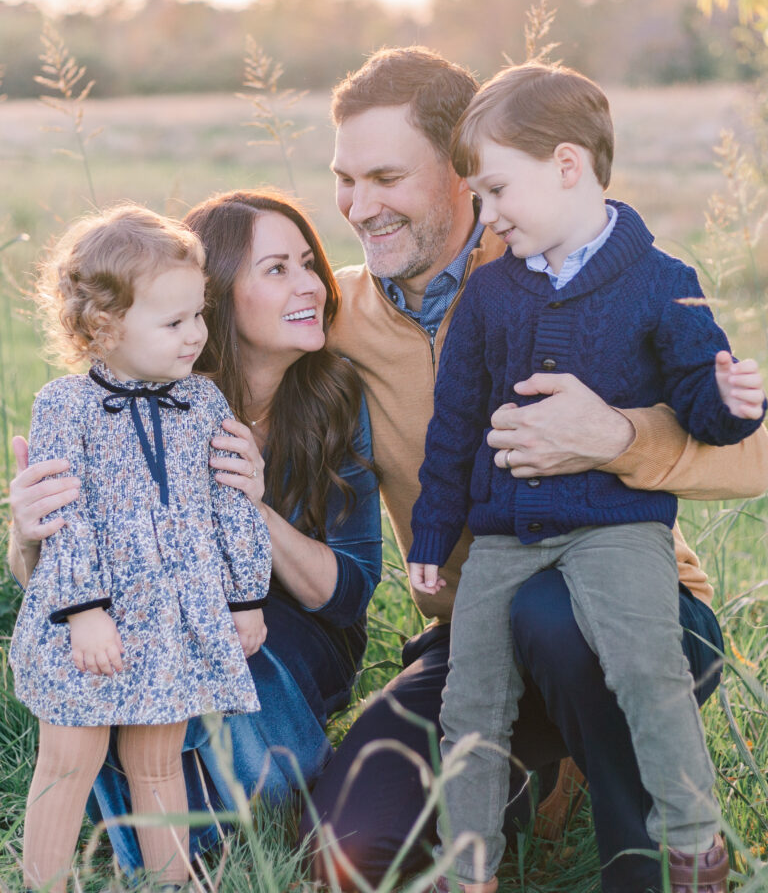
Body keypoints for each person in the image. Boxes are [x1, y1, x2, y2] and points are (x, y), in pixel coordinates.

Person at [301, 46, 768, 893]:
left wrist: (616, 436)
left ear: (464, 171)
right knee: (348, 848)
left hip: (631, 611)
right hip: (474, 630)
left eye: (385, 177)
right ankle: (530, 791)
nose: (358, 207)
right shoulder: (336, 320)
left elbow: (752, 454)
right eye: (344, 178)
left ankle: (650, 855)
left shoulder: (576, 268)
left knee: (555, 615)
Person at [8, 190, 381, 875]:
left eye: (308, 262)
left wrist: (246, 555)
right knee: (92, 738)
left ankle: (180, 861)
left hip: (246, 631)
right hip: (122, 622)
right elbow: (64, 535)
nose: (310, 285)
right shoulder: (96, 401)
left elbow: (342, 584)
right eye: (276, 269)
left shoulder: (314, 398)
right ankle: (75, 867)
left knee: (198, 761)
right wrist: (41, 552)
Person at [10, 204, 271, 892]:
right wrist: (85, 611)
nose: (197, 335)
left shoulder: (206, 405)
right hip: (87, 619)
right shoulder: (66, 406)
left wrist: (244, 595)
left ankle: (171, 882)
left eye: (199, 315)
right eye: (175, 321)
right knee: (71, 758)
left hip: (172, 619)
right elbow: (65, 516)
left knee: (158, 760)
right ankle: (43, 883)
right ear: (105, 326)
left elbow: (229, 505)